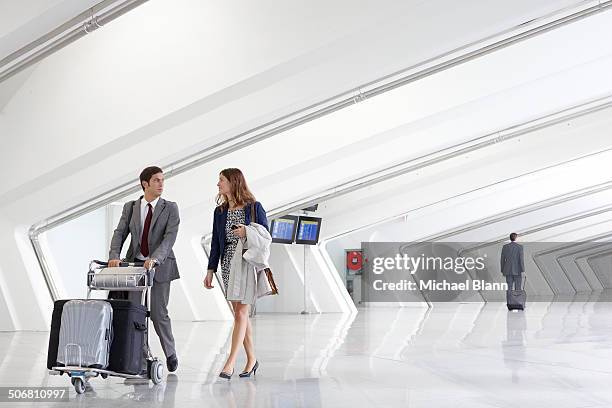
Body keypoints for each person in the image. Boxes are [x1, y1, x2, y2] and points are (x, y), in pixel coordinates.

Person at [108, 166, 180, 372]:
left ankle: (170, 353)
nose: (161, 184)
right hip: (135, 266)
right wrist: (114, 256)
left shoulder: (170, 207)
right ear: (145, 183)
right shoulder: (130, 207)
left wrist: (155, 258)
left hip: (161, 266)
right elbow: (120, 233)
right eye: (156, 180)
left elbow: (169, 238)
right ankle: (139, 355)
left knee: (158, 313)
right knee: (134, 312)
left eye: (162, 180)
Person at [203, 168, 268, 379]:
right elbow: (215, 243)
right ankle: (252, 360)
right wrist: (210, 270)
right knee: (239, 314)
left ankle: (229, 362)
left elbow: (266, 236)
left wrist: (245, 232)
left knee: (241, 313)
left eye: (221, 180)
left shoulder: (254, 208)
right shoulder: (219, 211)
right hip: (228, 264)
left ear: (233, 182)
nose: (218, 184)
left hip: (246, 262)